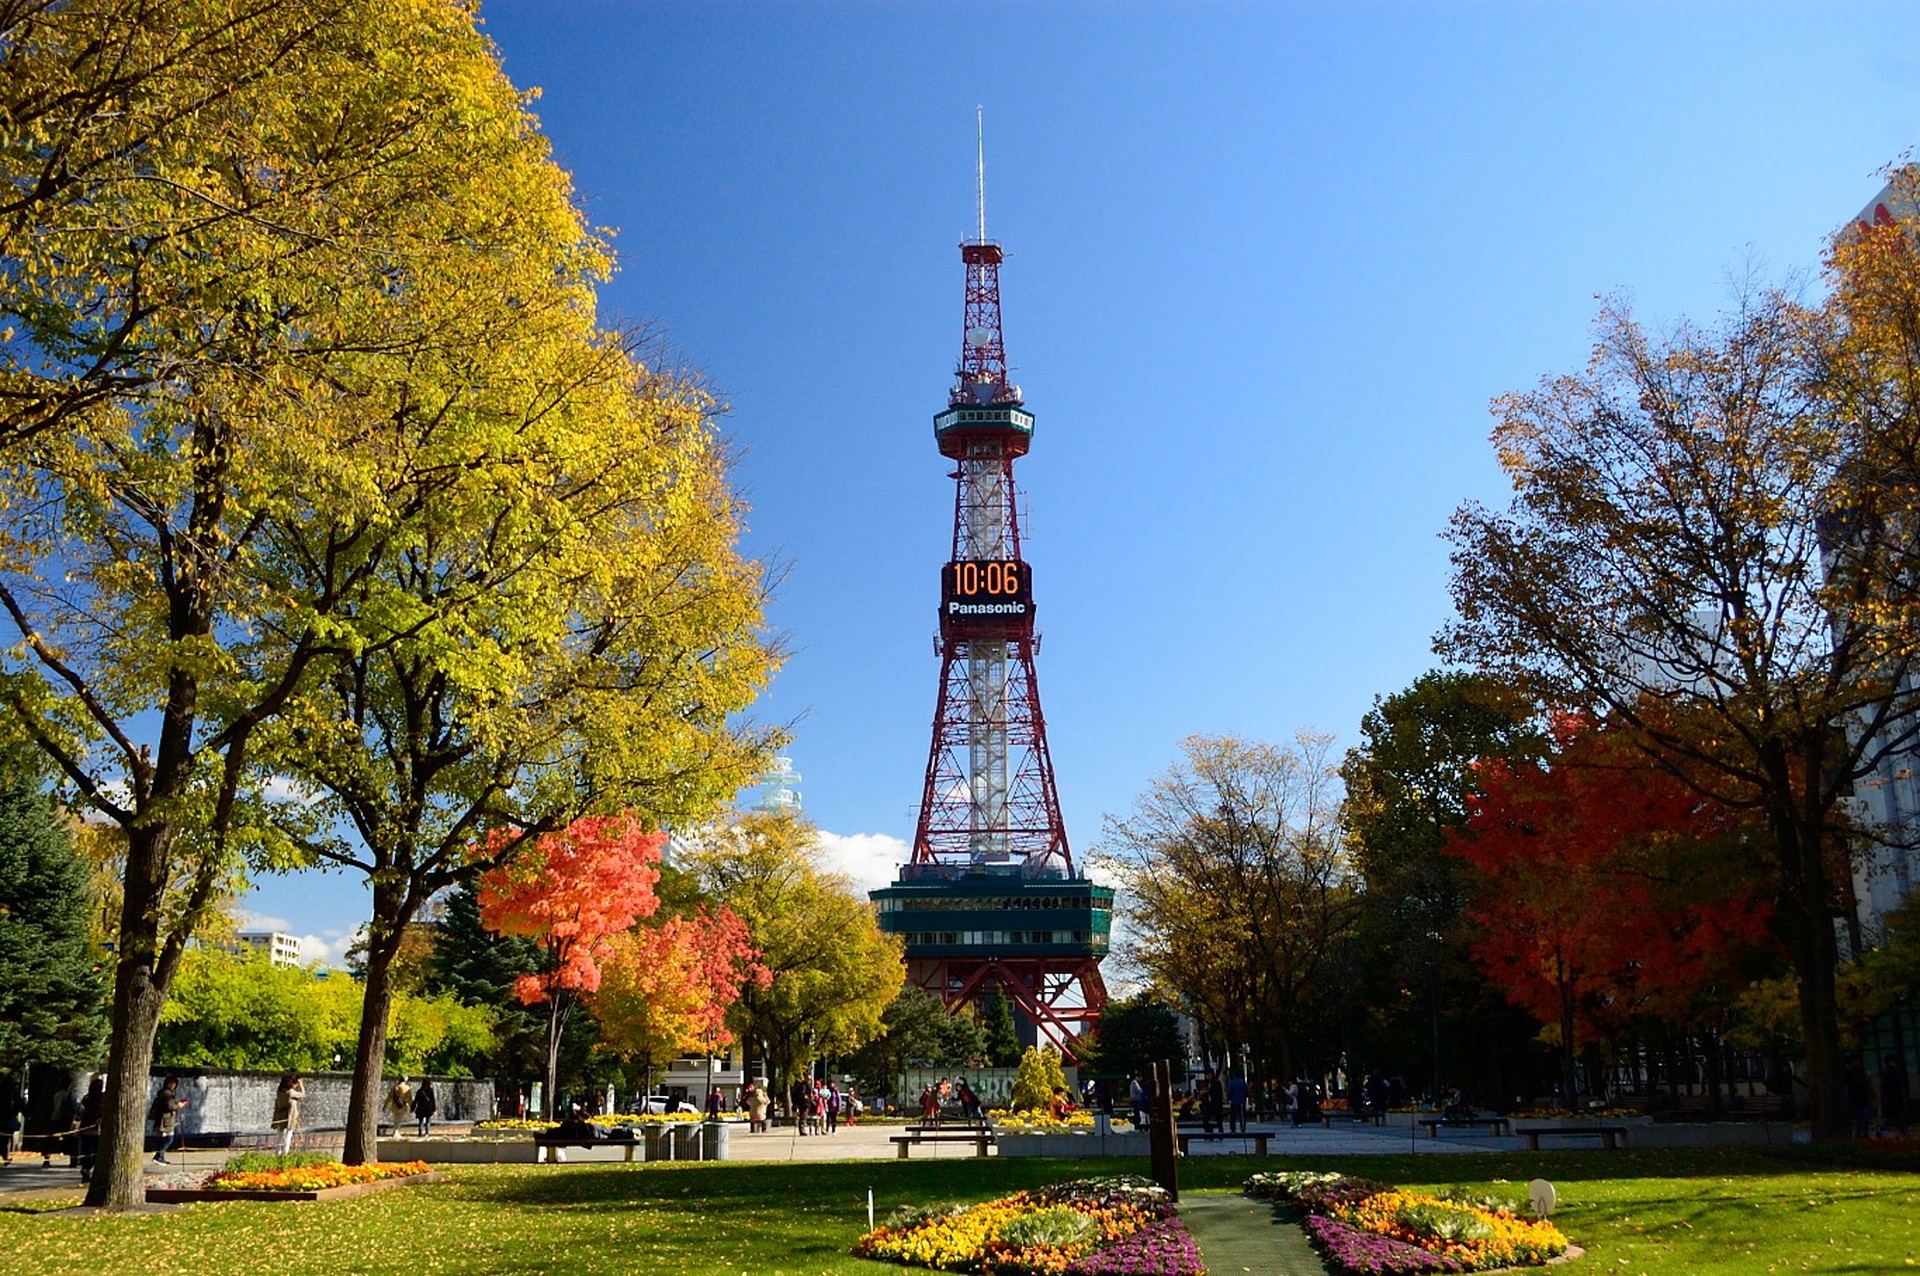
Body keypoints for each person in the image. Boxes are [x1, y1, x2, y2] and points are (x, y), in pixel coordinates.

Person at [149, 1075, 187, 1163]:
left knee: (166, 1138)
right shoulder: (166, 1093)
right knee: (168, 1138)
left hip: (166, 1120)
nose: (173, 1085)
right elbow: (169, 1106)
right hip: (165, 1121)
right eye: (171, 1083)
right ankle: (159, 1155)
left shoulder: (166, 1093)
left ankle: (160, 1156)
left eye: (174, 1083)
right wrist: (179, 1106)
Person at [75, 1076, 104, 1183]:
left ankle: (85, 1167)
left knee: (86, 1149)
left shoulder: (86, 1098)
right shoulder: (102, 1098)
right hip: (97, 1129)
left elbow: (80, 1112)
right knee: (96, 1151)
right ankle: (88, 1168)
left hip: (85, 1128)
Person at [273, 1073, 305, 1155]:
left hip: (279, 1115)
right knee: (288, 1135)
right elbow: (303, 1094)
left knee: (279, 1135)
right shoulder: (291, 1093)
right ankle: (285, 1153)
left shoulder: (279, 1090)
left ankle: (277, 1152)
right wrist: (301, 1085)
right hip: (289, 1116)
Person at [1881, 1053, 1910, 1136]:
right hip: (1895, 1098)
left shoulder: (1888, 1072)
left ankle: (1903, 1131)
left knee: (1893, 1117)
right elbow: (1897, 1084)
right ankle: (1904, 1131)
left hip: (1892, 1098)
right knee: (1897, 1116)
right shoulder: (1893, 1072)